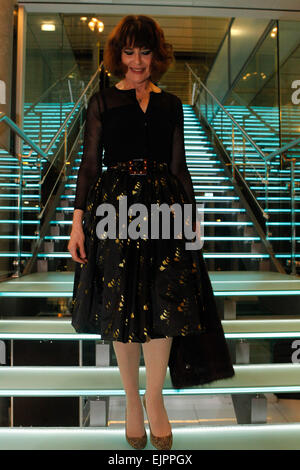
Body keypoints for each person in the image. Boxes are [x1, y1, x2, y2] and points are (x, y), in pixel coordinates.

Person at [68, 14, 234, 451]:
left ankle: (154, 397)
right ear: (118, 55)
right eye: (129, 51)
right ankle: (131, 401)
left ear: (155, 56)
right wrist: (77, 224)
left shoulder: (172, 104)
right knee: (122, 307)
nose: (137, 60)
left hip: (164, 210)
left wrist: (192, 222)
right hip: (114, 212)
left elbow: (180, 167)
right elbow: (88, 166)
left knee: (165, 304)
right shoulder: (102, 102)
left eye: (144, 51)